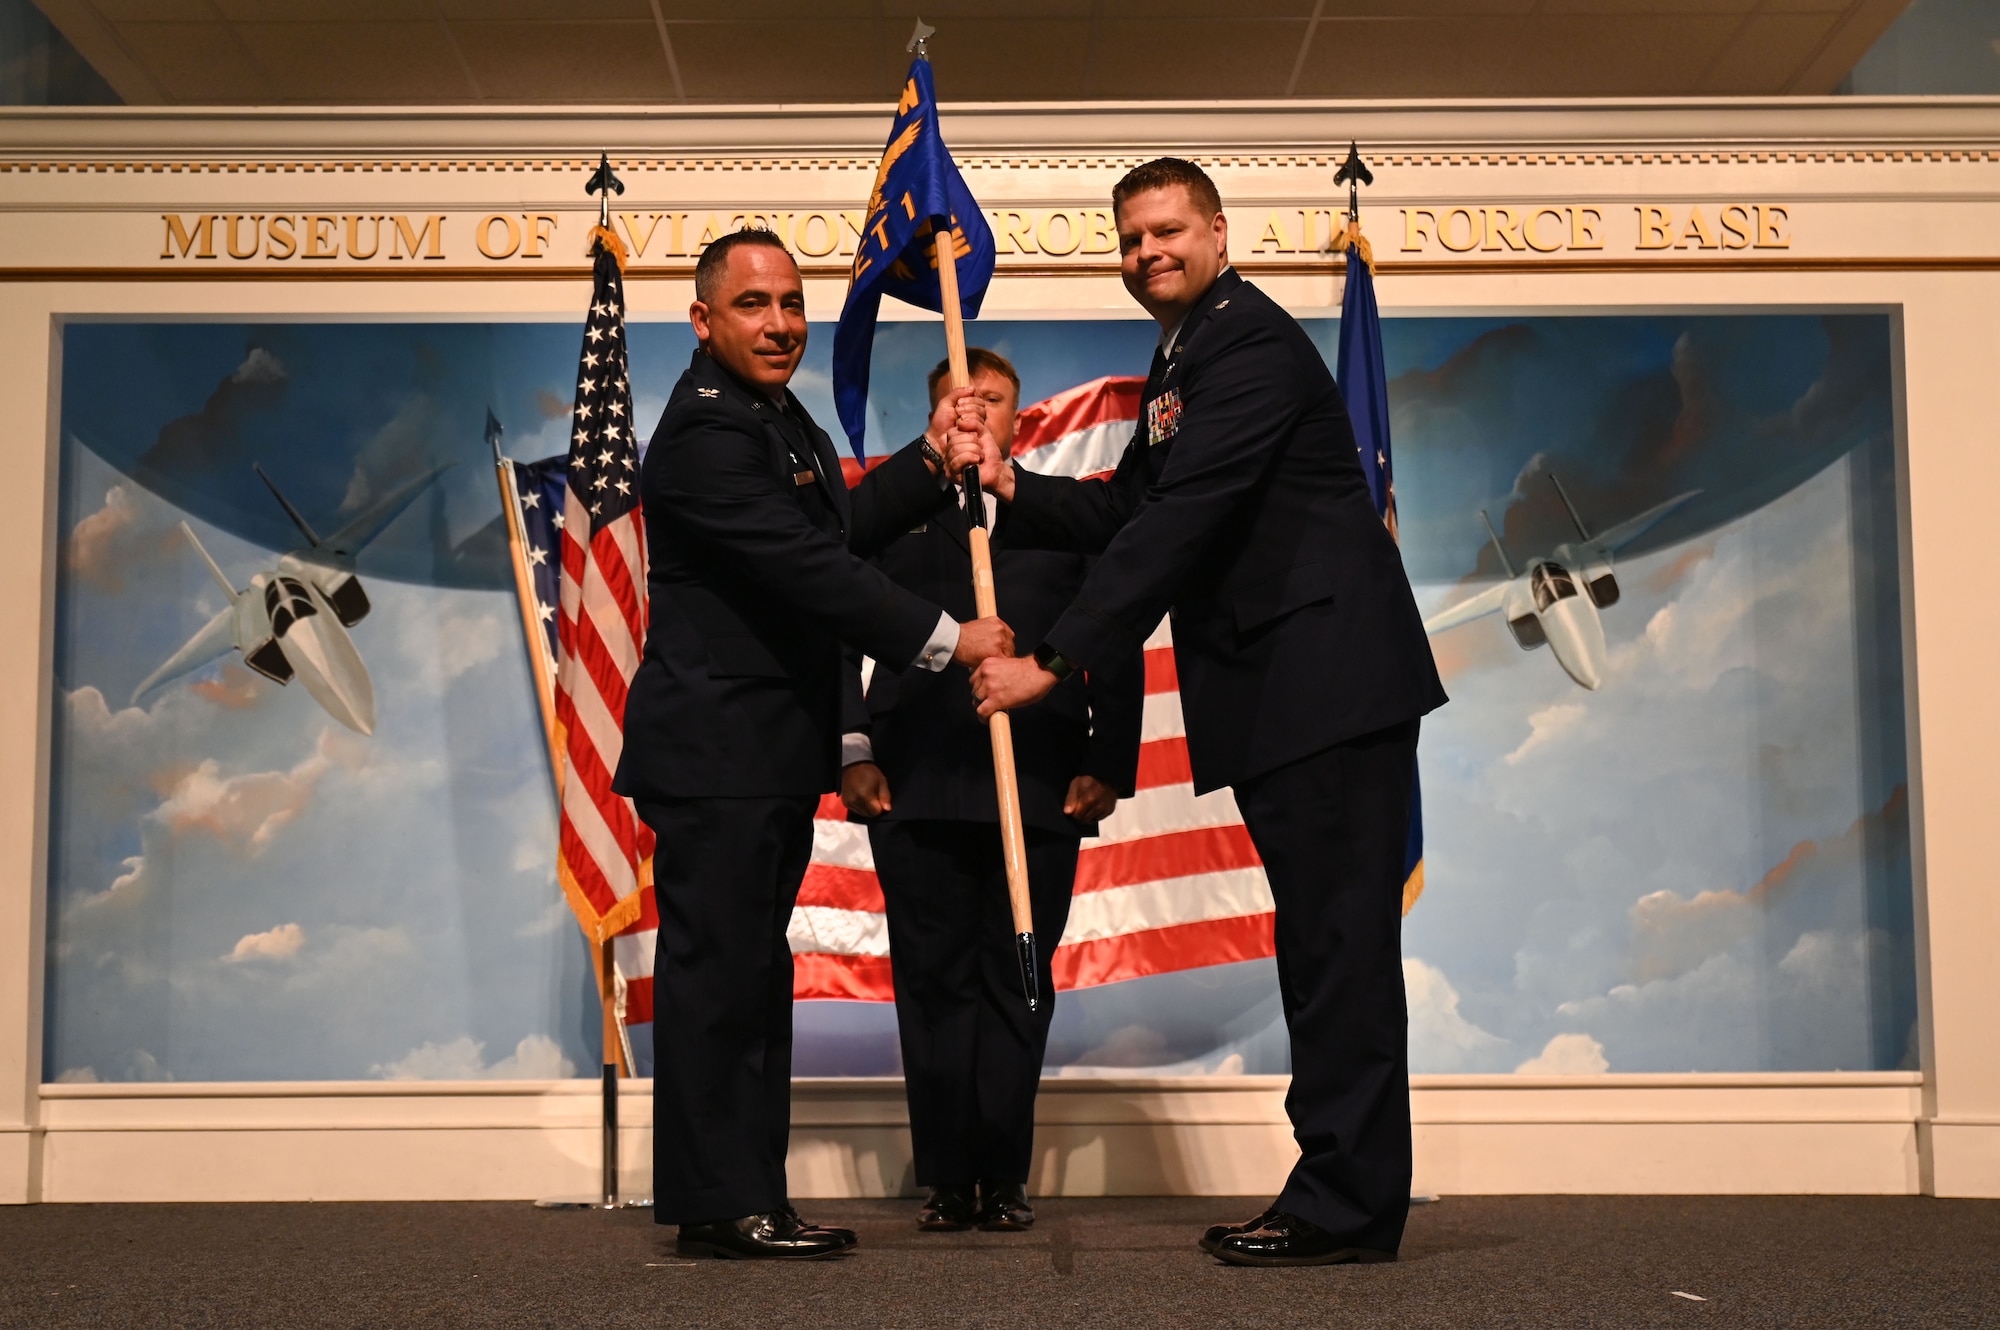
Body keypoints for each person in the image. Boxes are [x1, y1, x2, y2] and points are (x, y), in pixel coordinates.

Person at [965, 159, 1447, 1267]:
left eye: (1167, 231)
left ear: (1218, 232)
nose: (1148, 255)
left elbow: (1176, 526)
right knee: (1319, 950)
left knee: (1337, 953)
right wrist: (1010, 486)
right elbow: (1132, 501)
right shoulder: (1188, 351)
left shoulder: (1250, 348)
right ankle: (1340, 1193)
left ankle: (1344, 1205)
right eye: (1130, 240)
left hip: (1326, 689)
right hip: (1287, 697)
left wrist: (1053, 659)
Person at [612, 227, 1013, 1261]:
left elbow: (829, 533)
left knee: (749, 970)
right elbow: (808, 569)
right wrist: (943, 636)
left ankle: (746, 1194)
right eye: (753, 304)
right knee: (722, 976)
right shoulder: (707, 431)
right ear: (702, 320)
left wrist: (929, 459)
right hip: (718, 750)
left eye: (791, 301)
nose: (781, 323)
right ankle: (721, 1202)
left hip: (757, 751)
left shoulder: (766, 415)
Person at [838, 349, 1144, 1235]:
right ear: (938, 415)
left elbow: (1112, 634)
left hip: (1040, 787)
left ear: (1019, 419)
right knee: (932, 984)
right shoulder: (894, 519)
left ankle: (1002, 1175)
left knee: (1018, 982)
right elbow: (831, 629)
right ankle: (946, 1179)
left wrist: (1107, 762)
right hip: (916, 786)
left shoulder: (1061, 518)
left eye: (993, 400)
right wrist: (854, 750)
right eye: (957, 401)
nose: (975, 413)